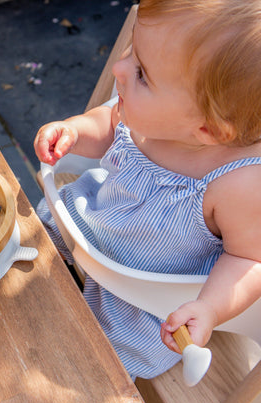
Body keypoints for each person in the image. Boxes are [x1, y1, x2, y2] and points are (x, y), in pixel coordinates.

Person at [33, 0, 261, 380]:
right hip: (87, 224)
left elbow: (248, 261)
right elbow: (107, 124)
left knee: (89, 367)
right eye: (132, 51)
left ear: (207, 129)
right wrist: (74, 131)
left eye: (142, 74)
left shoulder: (240, 185)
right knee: (23, 254)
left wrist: (210, 308)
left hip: (139, 300)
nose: (119, 69)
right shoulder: (147, 112)